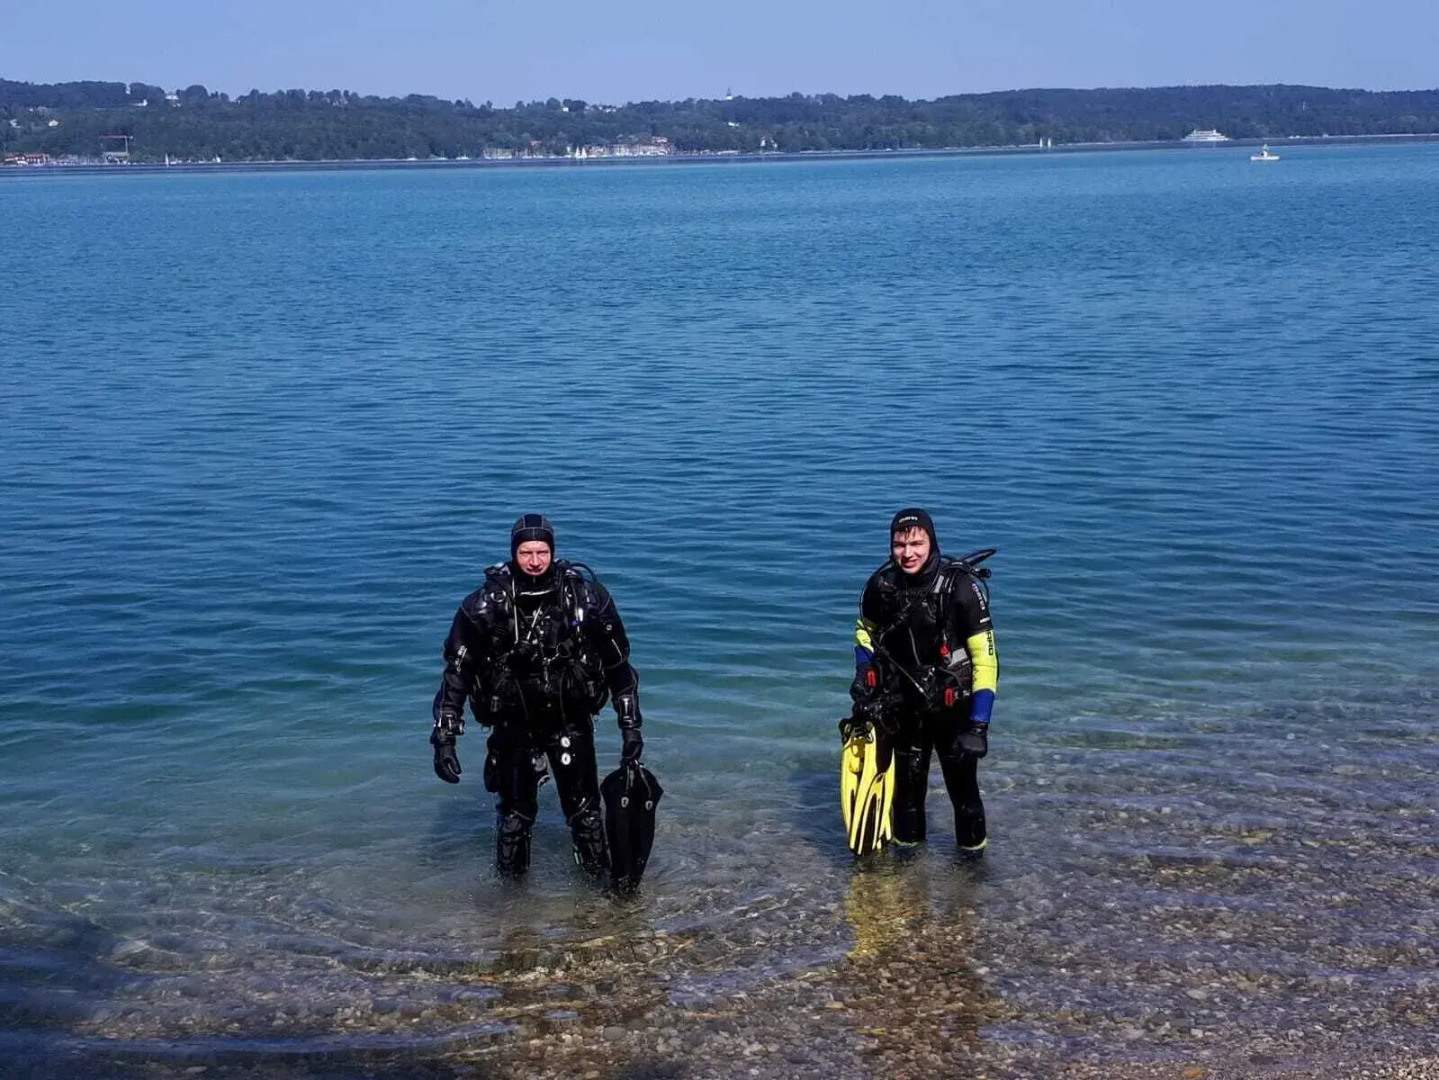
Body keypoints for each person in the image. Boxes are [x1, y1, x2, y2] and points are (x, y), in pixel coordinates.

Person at [430, 514, 644, 879]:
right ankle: (511, 916)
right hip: (514, 725)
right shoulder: (485, 606)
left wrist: (631, 727)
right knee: (514, 822)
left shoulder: (585, 598)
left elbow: (619, 666)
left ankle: (601, 903)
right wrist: (444, 736)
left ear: (553, 551)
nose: (534, 560)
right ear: (514, 552)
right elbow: (457, 672)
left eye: (541, 551)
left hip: (569, 720)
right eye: (526, 551)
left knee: (586, 816)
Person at [846, 508, 998, 854]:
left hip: (953, 710)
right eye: (900, 544)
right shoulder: (881, 587)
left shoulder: (960, 588)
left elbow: (986, 659)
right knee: (906, 796)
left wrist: (979, 725)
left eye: (916, 543)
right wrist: (863, 677)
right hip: (905, 708)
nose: (908, 553)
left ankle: (973, 875)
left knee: (964, 796)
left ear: (932, 543)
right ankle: (907, 877)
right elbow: (864, 634)